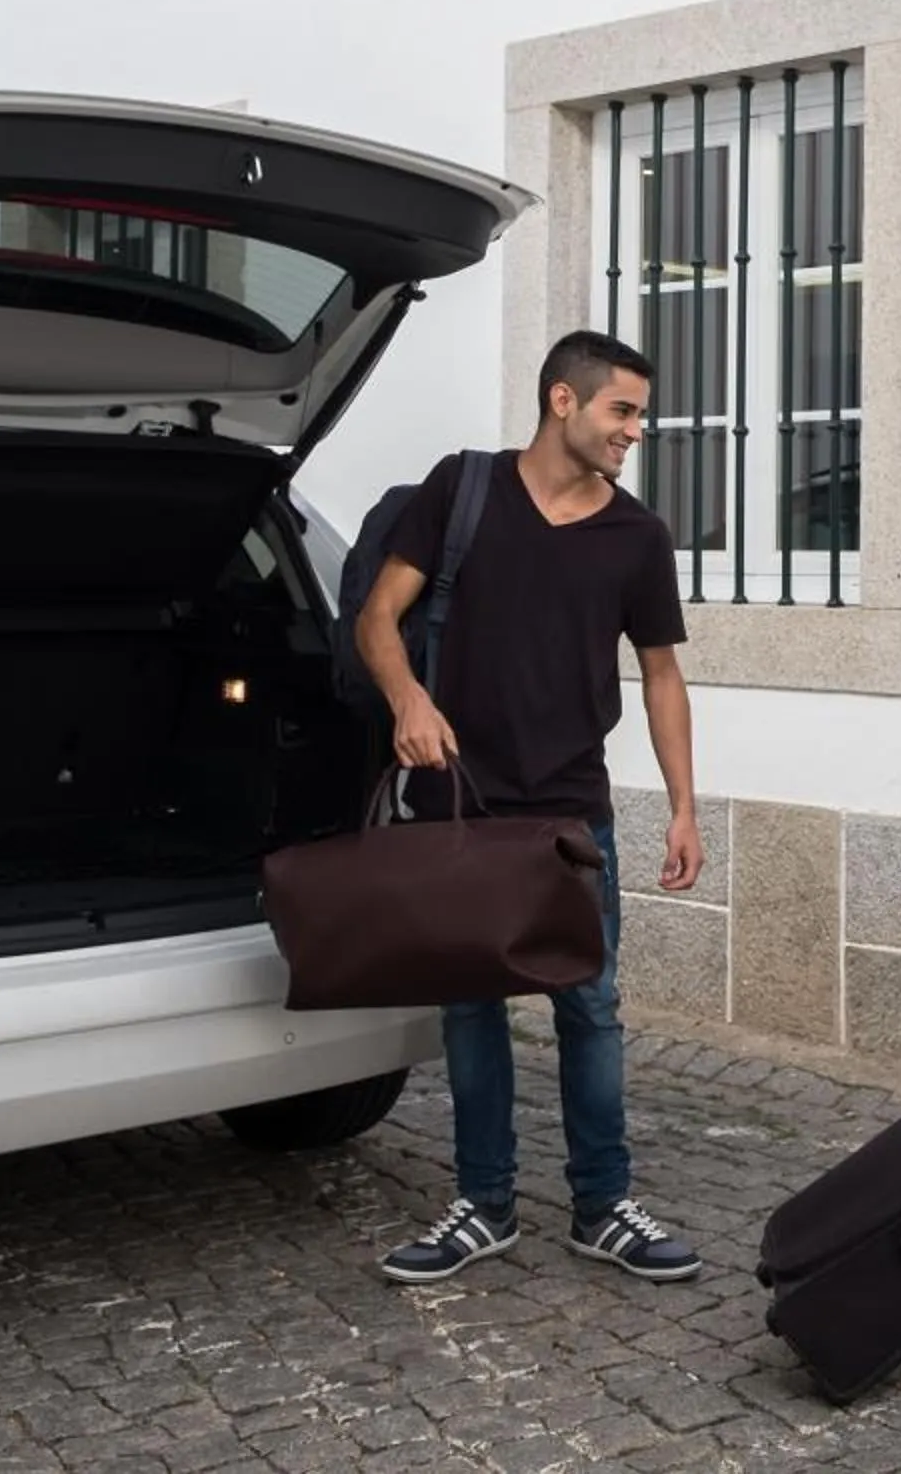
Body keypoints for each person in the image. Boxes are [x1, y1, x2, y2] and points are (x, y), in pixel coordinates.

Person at [356, 329, 707, 1287]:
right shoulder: (462, 491)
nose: (636, 429)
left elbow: (663, 676)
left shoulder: (637, 537)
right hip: (463, 809)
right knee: (472, 1008)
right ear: (564, 401)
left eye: (640, 414)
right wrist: (409, 702)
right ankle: (485, 1204)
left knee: (588, 1009)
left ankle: (603, 1206)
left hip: (569, 815)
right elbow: (378, 618)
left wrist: (683, 807)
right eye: (622, 410)